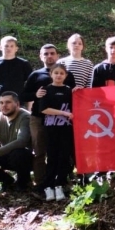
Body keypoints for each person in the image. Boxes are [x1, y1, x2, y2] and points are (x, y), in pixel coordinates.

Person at [22, 44, 76, 191]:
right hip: (39, 118)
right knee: (40, 151)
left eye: (52, 53)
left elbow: (74, 95)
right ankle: (41, 184)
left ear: (58, 55)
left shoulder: (67, 75)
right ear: (41, 56)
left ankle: (62, 181)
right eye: (46, 54)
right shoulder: (35, 75)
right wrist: (35, 95)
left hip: (63, 122)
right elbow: (24, 95)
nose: (49, 56)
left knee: (64, 151)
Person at [38, 63, 74, 201]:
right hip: (50, 129)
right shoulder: (46, 90)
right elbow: (44, 109)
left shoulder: (69, 90)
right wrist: (64, 113)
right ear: (51, 74)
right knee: (52, 157)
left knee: (64, 157)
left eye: (61, 73)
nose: (59, 75)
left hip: (66, 129)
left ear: (66, 76)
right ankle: (48, 186)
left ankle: (60, 184)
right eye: (56, 73)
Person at [0, 36, 33, 123]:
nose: (9, 48)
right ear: (1, 47)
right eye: (6, 46)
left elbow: (31, 87)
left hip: (18, 104)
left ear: (16, 48)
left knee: (19, 134)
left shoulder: (24, 64)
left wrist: (30, 110)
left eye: (12, 46)